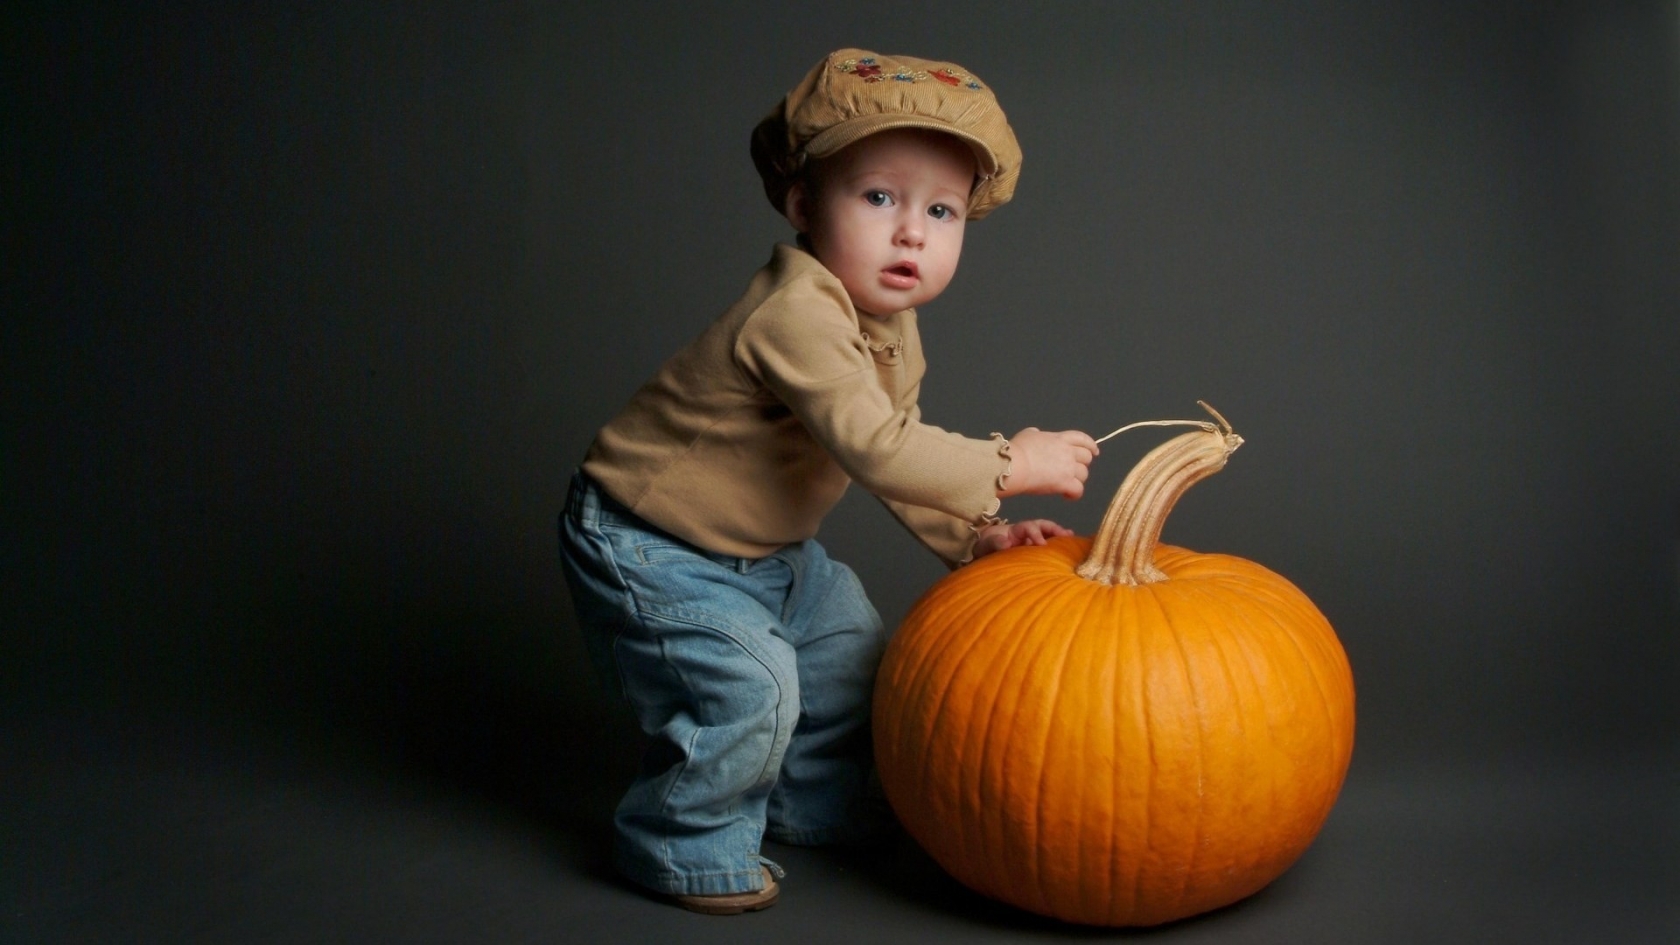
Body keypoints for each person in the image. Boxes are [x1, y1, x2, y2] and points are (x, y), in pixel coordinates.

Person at [558, 48, 1099, 914]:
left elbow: (900, 451)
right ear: (806, 205)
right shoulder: (796, 310)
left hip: (766, 550)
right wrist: (1011, 461)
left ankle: (812, 803)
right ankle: (680, 841)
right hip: (650, 541)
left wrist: (977, 533)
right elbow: (879, 447)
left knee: (850, 653)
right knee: (752, 683)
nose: (912, 231)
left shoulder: (891, 324)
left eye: (942, 209)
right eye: (879, 197)